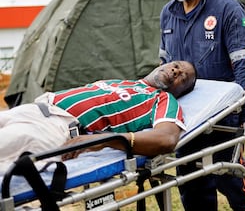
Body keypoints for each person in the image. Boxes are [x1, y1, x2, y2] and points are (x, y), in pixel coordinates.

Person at [159, 0, 245, 211]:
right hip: (187, 123)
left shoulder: (226, 9)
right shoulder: (167, 15)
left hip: (223, 121)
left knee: (236, 188)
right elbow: (163, 69)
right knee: (193, 193)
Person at [0, 61, 196, 172]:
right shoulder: (124, 83)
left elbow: (167, 139)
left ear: (181, 90)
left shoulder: (163, 100)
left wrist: (103, 140)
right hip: (34, 109)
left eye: (183, 77)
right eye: (176, 65)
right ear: (163, 63)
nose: (176, 71)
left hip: (55, 127)